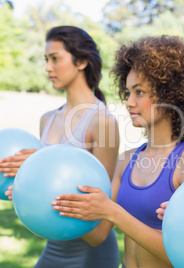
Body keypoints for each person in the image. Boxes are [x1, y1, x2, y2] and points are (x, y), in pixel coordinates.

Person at [50, 35, 184, 267]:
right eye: (128, 92)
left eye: (139, 92)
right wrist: (55, 195)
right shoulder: (127, 159)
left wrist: (113, 212)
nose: (128, 102)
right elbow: (98, 234)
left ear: (171, 94)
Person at [0, 26, 120, 267]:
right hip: (54, 246)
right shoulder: (48, 119)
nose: (47, 67)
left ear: (82, 61)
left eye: (55, 59)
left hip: (90, 253)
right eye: (46, 60)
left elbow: (100, 227)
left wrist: (40, 167)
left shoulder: (103, 122)